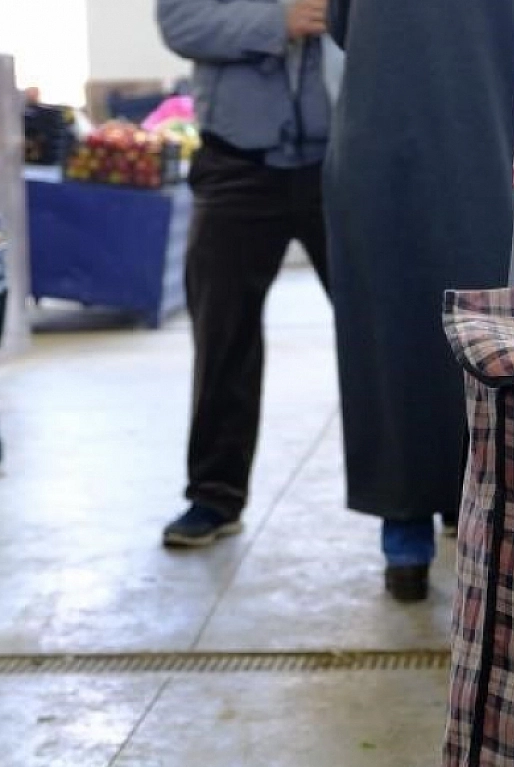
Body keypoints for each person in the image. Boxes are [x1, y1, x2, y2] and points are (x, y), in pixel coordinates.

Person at [324, 0, 514, 602]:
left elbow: (340, 24)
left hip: (384, 134)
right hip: (487, 133)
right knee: (502, 322)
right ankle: (489, 522)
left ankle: (406, 533)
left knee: (395, 326)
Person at [155, 0, 341, 548]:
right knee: (222, 331)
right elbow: (179, 21)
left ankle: (430, 492)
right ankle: (214, 495)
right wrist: (275, 22)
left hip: (343, 159)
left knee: (384, 333)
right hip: (235, 163)